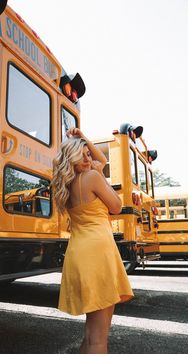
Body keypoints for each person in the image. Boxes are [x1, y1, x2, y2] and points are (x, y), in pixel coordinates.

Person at [52, 128, 134, 354]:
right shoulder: (91, 177)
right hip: (98, 253)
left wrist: (83, 139)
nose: (89, 159)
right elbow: (116, 206)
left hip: (80, 252)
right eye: (84, 155)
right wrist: (100, 175)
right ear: (72, 158)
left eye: (89, 154)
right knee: (99, 339)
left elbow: (103, 159)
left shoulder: (67, 184)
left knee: (91, 336)